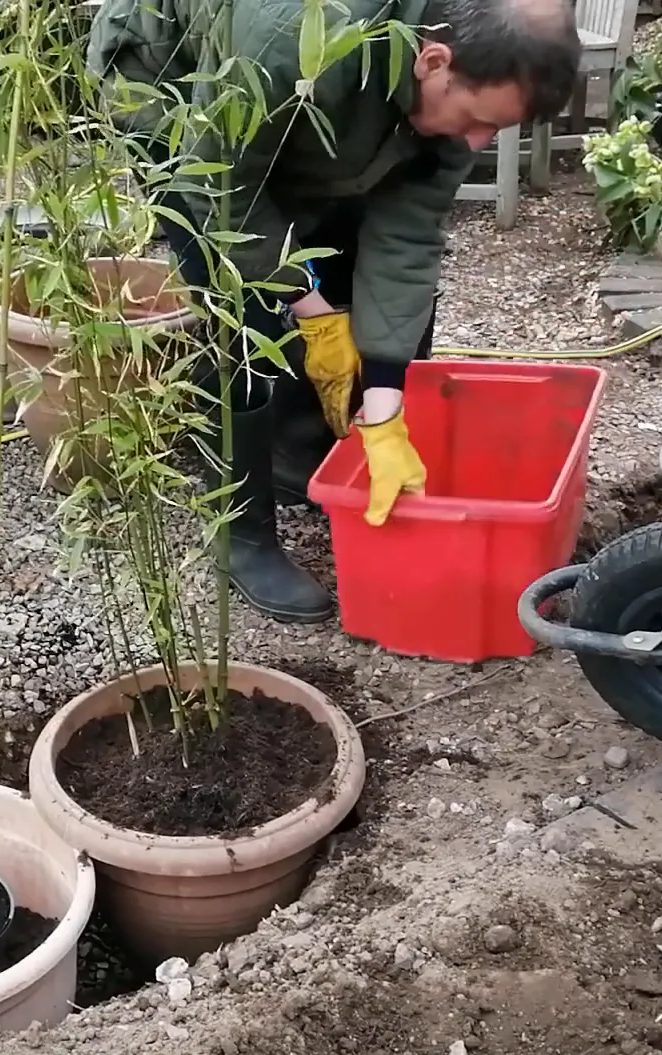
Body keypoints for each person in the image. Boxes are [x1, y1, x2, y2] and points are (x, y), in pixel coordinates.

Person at [88, 0, 581, 622]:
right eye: (479, 120)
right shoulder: (291, 37)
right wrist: (311, 307)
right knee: (246, 305)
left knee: (345, 241)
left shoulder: (464, 74)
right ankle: (242, 533)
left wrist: (384, 408)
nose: (480, 141)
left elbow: (406, 238)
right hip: (174, 89)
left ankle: (300, 455)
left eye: (495, 129)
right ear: (434, 61)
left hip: (333, 88)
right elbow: (223, 186)